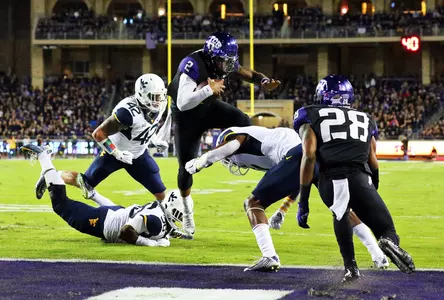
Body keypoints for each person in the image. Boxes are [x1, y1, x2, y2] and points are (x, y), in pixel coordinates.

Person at [186, 125, 388, 271]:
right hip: (314, 157)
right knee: (341, 207)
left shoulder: (234, 135)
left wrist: (202, 161)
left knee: (252, 203)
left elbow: (230, 146)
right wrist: (283, 209)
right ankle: (379, 256)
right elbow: (300, 178)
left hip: (299, 153)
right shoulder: (268, 145)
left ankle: (269, 255)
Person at [293, 74, 415, 282]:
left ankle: (351, 268)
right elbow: (373, 159)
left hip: (331, 179)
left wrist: (303, 201)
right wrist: (373, 185)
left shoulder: (309, 113)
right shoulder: (366, 118)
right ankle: (387, 241)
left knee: (341, 213)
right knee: (386, 229)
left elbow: (310, 154)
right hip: (360, 178)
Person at [167, 32, 281, 236]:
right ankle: (187, 216)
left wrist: (263, 81)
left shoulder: (221, 60)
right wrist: (208, 90)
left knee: (243, 121)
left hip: (208, 108)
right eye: (224, 61)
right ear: (212, 57)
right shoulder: (192, 64)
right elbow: (183, 103)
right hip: (186, 119)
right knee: (185, 170)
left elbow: (247, 73)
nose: (227, 67)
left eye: (230, 61)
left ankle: (239, 158)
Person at [35, 74, 170, 207]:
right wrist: (118, 154)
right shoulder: (127, 113)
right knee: (86, 183)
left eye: (160, 96)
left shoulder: (159, 106)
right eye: (155, 97)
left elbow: (145, 127)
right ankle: (52, 175)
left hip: (139, 155)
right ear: (142, 95)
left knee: (161, 193)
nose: (159, 100)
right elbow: (99, 133)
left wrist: (154, 140)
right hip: (114, 153)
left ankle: (165, 223)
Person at [21, 144, 188, 245]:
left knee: (94, 199)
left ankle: (53, 176)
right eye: (178, 214)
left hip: (117, 213)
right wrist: (152, 244)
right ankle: (43, 157)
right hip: (107, 222)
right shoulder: (156, 222)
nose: (179, 219)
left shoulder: (160, 212)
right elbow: (126, 231)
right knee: (60, 205)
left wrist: (94, 196)